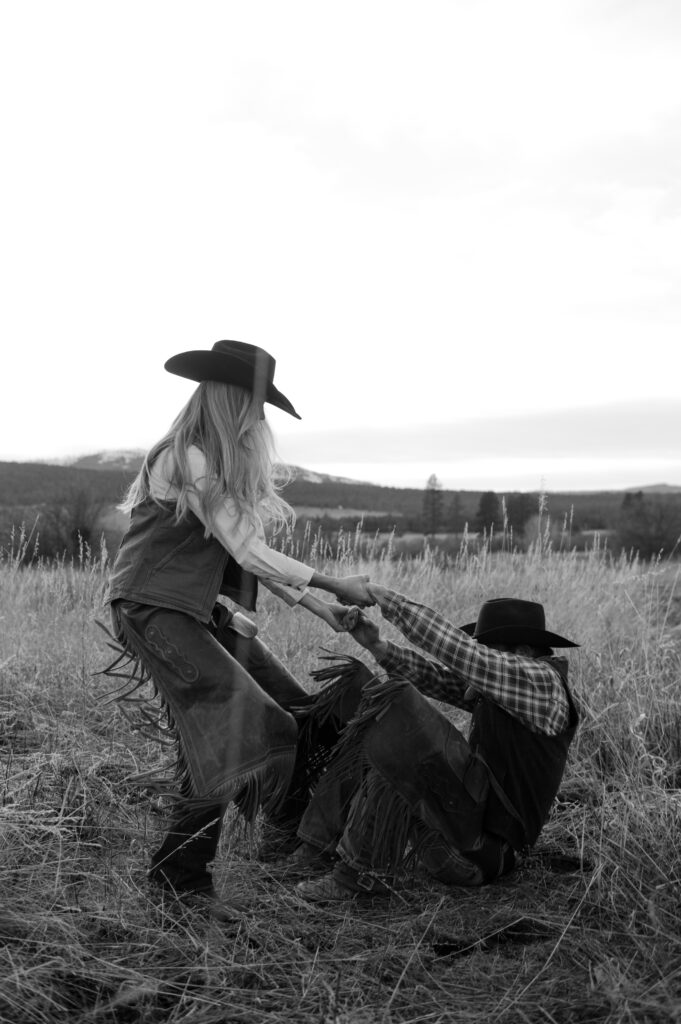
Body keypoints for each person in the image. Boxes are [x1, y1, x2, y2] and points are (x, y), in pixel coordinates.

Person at [101, 340, 372, 919]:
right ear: (229, 400)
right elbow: (248, 552)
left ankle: (287, 838)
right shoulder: (186, 458)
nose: (260, 417)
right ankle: (182, 880)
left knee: (299, 714)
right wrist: (335, 583)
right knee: (235, 727)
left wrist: (322, 610)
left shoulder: (213, 465)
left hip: (197, 613)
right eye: (255, 403)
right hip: (153, 610)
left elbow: (247, 553)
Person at [292, 586, 580, 901]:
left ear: (523, 654)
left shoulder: (542, 685)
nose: (480, 658)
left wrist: (377, 595)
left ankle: (357, 878)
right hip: (468, 838)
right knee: (372, 704)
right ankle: (317, 848)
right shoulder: (510, 693)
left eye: (489, 650)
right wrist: (377, 645)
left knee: (398, 719)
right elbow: (438, 678)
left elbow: (461, 654)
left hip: (480, 857)